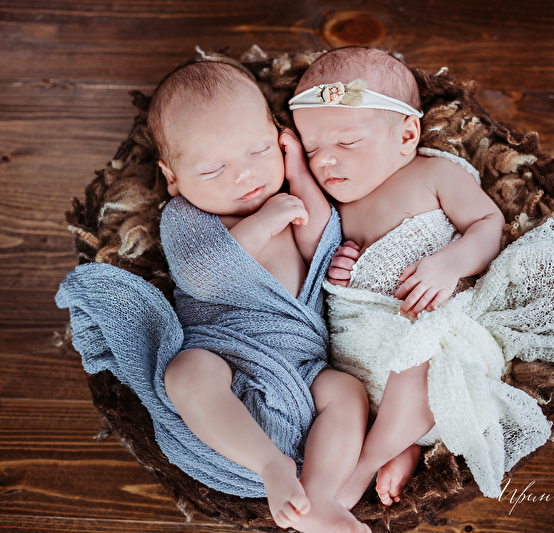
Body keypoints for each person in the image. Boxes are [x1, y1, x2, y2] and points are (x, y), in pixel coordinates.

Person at [289, 47, 554, 507]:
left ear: (407, 135)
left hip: (439, 341)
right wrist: (340, 272)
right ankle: (402, 442)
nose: (325, 161)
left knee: (422, 354)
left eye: (348, 142)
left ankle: (366, 461)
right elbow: (322, 260)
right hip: (363, 351)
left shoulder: (434, 173)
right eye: (312, 148)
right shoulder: (339, 206)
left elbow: (488, 226)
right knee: (342, 381)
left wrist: (452, 262)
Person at [148, 58, 371, 533]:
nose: (244, 174)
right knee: (186, 372)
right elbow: (202, 277)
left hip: (302, 369)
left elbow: (321, 239)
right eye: (213, 169)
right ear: (173, 177)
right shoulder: (187, 217)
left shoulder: (287, 196)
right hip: (226, 359)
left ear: (279, 137)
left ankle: (319, 494)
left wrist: (299, 174)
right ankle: (271, 464)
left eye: (259, 150)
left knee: (347, 391)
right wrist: (265, 223)